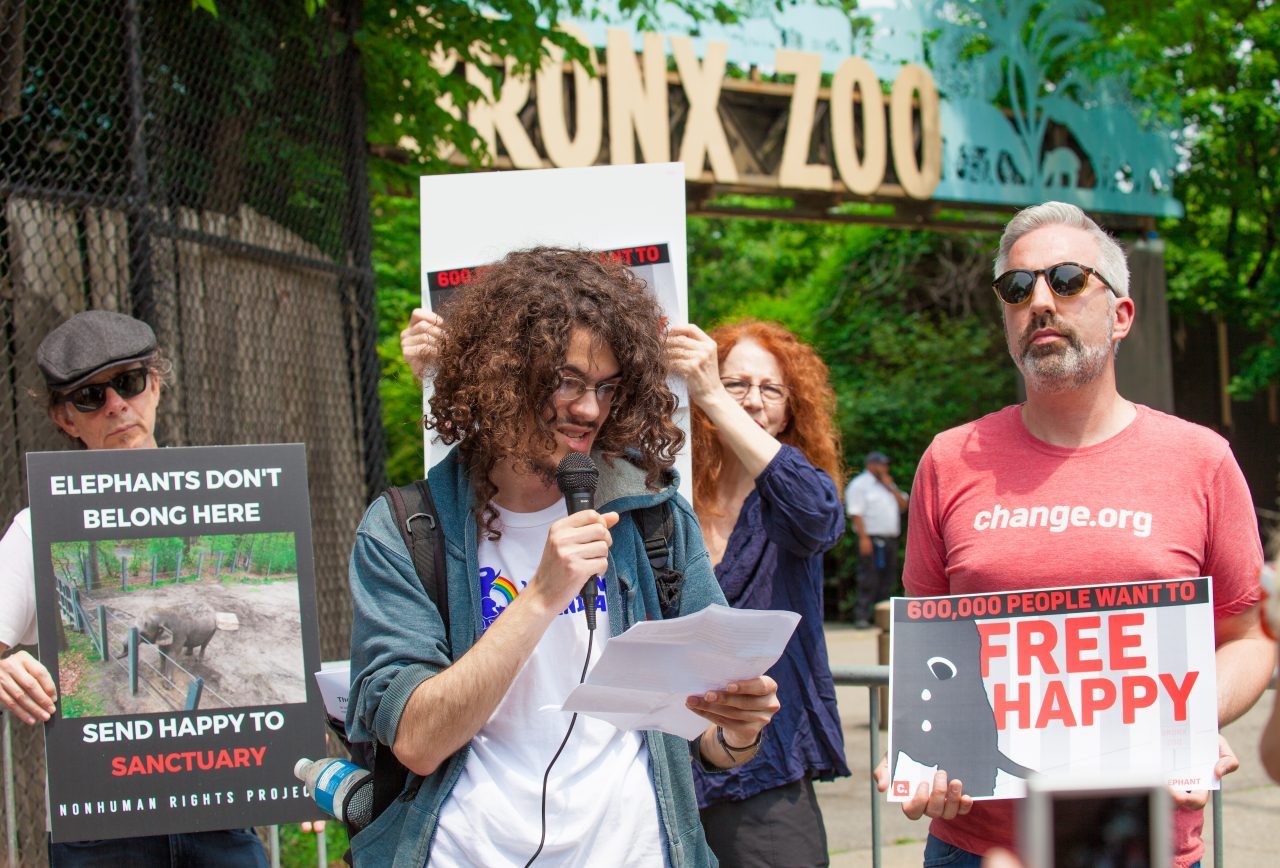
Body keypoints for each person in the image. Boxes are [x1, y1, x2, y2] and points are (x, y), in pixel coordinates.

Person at [873, 202, 1274, 868]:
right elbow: (929, 647)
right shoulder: (947, 460)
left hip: (1141, 845)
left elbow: (1248, 635)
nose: (1039, 301)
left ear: (1120, 316)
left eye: (1065, 279)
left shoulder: (1202, 460)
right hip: (976, 846)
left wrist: (1194, 720)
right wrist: (925, 757)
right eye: (1016, 287)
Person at [350, 247, 781, 866]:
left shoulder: (650, 513)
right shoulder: (403, 530)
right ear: (499, 378)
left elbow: (710, 736)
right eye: (567, 382)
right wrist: (543, 596)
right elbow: (417, 740)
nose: (589, 410)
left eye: (606, 387)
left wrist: (739, 728)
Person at [0, 310, 270, 866]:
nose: (116, 405)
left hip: (222, 815)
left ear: (156, 384)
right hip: (102, 828)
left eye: (128, 383)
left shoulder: (227, 502)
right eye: (89, 397)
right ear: (64, 418)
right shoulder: (38, 526)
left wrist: (288, 772)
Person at [666, 319, 849, 867]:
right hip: (665, 761)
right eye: (736, 383)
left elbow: (821, 517)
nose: (753, 401)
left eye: (770, 389)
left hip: (765, 765)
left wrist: (715, 398)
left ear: (792, 408)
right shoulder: (667, 496)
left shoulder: (795, 497)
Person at [844, 450, 908, 628]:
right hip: (870, 538)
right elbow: (856, 513)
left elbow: (904, 506)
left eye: (886, 464)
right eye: (881, 464)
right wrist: (863, 538)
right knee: (868, 579)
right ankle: (862, 615)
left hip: (890, 539)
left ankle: (882, 617)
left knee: (887, 579)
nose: (884, 467)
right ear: (870, 465)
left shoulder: (888, 484)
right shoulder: (860, 485)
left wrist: (891, 487)